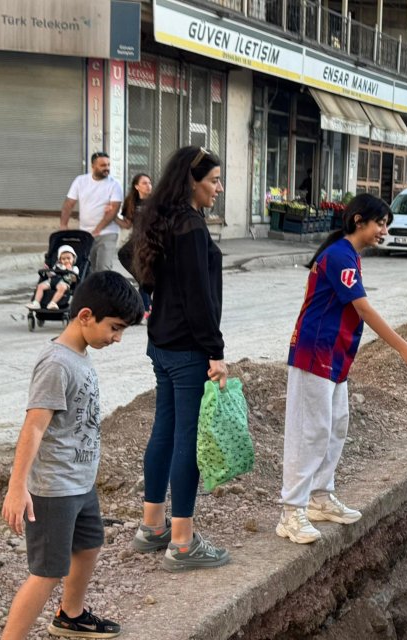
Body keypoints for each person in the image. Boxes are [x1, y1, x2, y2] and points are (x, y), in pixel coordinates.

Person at [278, 194, 407, 544]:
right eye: (380, 223)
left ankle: (319, 497)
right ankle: (290, 511)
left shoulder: (349, 256)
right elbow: (363, 309)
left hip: (335, 356)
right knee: (310, 431)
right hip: (314, 351)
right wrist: (403, 348)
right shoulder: (339, 256)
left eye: (386, 225)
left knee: (335, 427)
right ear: (359, 220)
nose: (384, 231)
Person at [0, 271, 143, 640]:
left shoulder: (78, 354)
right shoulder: (56, 363)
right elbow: (33, 427)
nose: (117, 338)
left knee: (90, 542)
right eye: (114, 328)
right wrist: (18, 488)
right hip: (53, 488)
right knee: (47, 571)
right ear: (85, 316)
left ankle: (71, 615)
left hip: (80, 482)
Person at [129, 146, 231, 571]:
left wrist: (154, 294)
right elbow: (198, 299)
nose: (219, 188)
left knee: (165, 431)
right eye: (213, 181)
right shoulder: (188, 226)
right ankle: (183, 542)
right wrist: (216, 352)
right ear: (193, 181)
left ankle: (153, 527)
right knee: (185, 439)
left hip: (161, 344)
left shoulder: (159, 217)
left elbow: (128, 257)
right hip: (188, 349)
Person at [62, 152, 123, 273]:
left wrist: (98, 229)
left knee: (103, 268)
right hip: (85, 233)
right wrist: (63, 224)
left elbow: (114, 210)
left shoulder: (114, 185)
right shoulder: (80, 181)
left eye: (108, 165)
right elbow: (69, 203)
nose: (107, 168)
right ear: (93, 166)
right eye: (103, 165)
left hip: (107, 232)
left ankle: (104, 291)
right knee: (87, 267)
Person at [117, 173, 154, 314]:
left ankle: (146, 307)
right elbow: (127, 224)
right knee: (123, 254)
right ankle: (144, 285)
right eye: (144, 183)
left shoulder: (156, 202)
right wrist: (113, 216)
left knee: (147, 273)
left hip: (151, 240)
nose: (148, 186)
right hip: (136, 239)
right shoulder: (131, 202)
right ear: (136, 186)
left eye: (150, 183)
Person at [26, 245, 81, 311]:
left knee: (62, 288)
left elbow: (74, 279)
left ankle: (53, 303)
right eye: (63, 259)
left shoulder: (74, 268)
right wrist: (48, 271)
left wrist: (70, 271)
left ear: (73, 259)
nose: (66, 260)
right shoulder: (57, 266)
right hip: (53, 280)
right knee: (40, 286)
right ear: (60, 260)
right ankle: (36, 303)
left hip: (64, 282)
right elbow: (52, 274)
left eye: (68, 258)